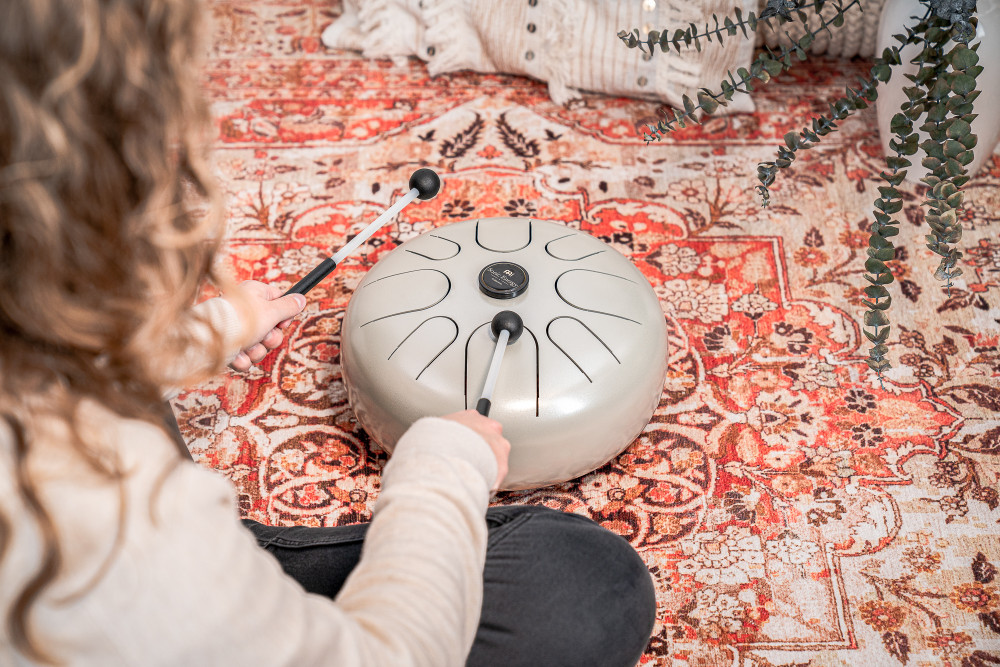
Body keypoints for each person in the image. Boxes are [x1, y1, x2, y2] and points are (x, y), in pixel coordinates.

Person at [0, 1, 656, 666]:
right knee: (588, 584)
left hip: (154, 588)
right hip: (159, 608)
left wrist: (188, 339)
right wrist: (441, 469)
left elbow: (49, 376)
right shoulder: (111, 519)